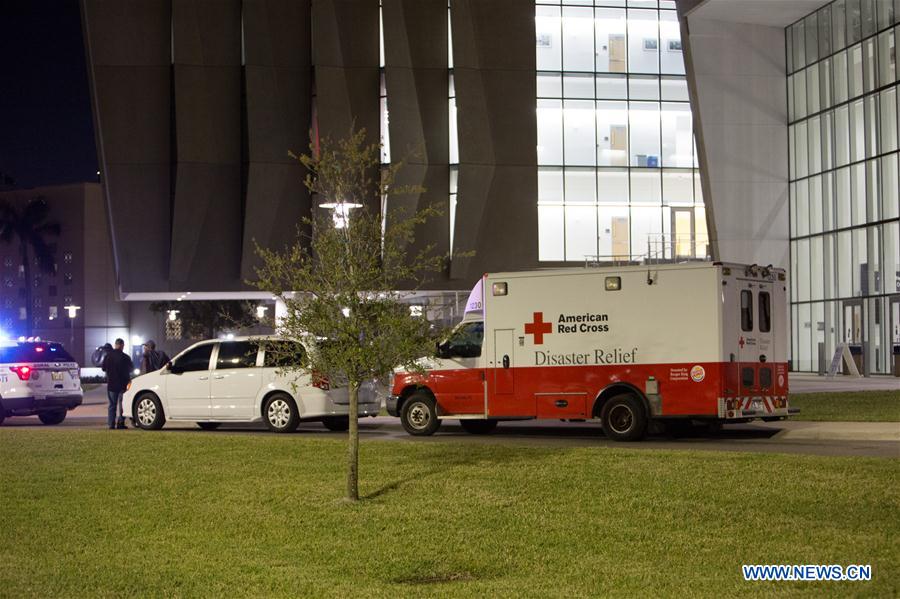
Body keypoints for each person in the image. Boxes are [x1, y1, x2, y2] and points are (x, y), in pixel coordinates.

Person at [101, 338, 133, 430]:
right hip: (123, 384)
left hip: (111, 384)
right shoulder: (126, 357)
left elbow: (103, 368)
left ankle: (111, 424)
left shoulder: (108, 356)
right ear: (122, 345)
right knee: (122, 404)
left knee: (112, 405)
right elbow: (131, 369)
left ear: (115, 345)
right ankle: (121, 423)